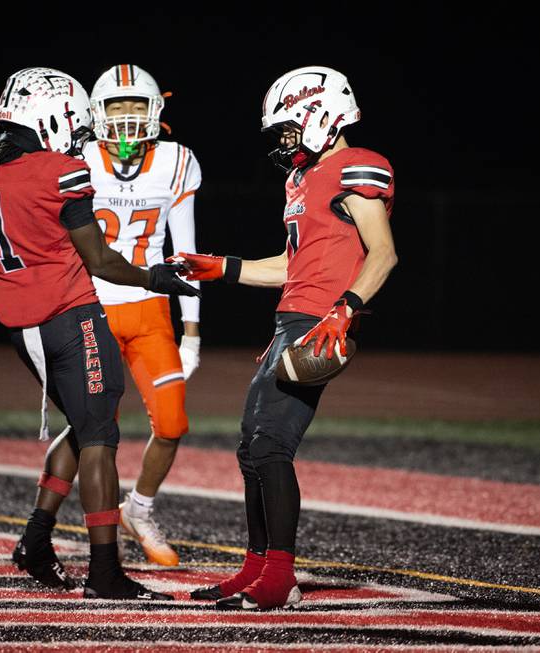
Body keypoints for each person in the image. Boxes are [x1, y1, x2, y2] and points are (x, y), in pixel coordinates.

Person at [0, 67, 199, 600]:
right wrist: (156, 277)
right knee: (101, 436)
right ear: (53, 116)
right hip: (72, 316)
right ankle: (105, 572)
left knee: (85, 426)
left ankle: (36, 542)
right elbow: (102, 260)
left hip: (20, 325)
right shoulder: (62, 172)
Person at [173, 66, 397, 610]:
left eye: (289, 127)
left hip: (322, 322)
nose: (283, 140)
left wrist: (346, 309)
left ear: (321, 114)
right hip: (291, 317)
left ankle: (280, 577)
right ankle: (255, 568)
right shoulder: (299, 180)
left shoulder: (357, 166)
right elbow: (289, 265)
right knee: (251, 445)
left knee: (272, 443)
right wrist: (223, 268)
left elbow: (384, 253)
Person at [39, 64, 202, 567]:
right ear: (96, 113)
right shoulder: (75, 159)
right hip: (91, 309)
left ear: (157, 111)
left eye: (137, 106)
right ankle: (41, 525)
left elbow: (185, 251)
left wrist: (192, 329)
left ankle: (140, 509)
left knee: (172, 422)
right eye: (117, 106)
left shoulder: (176, 162)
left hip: (151, 310)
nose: (128, 118)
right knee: (91, 431)